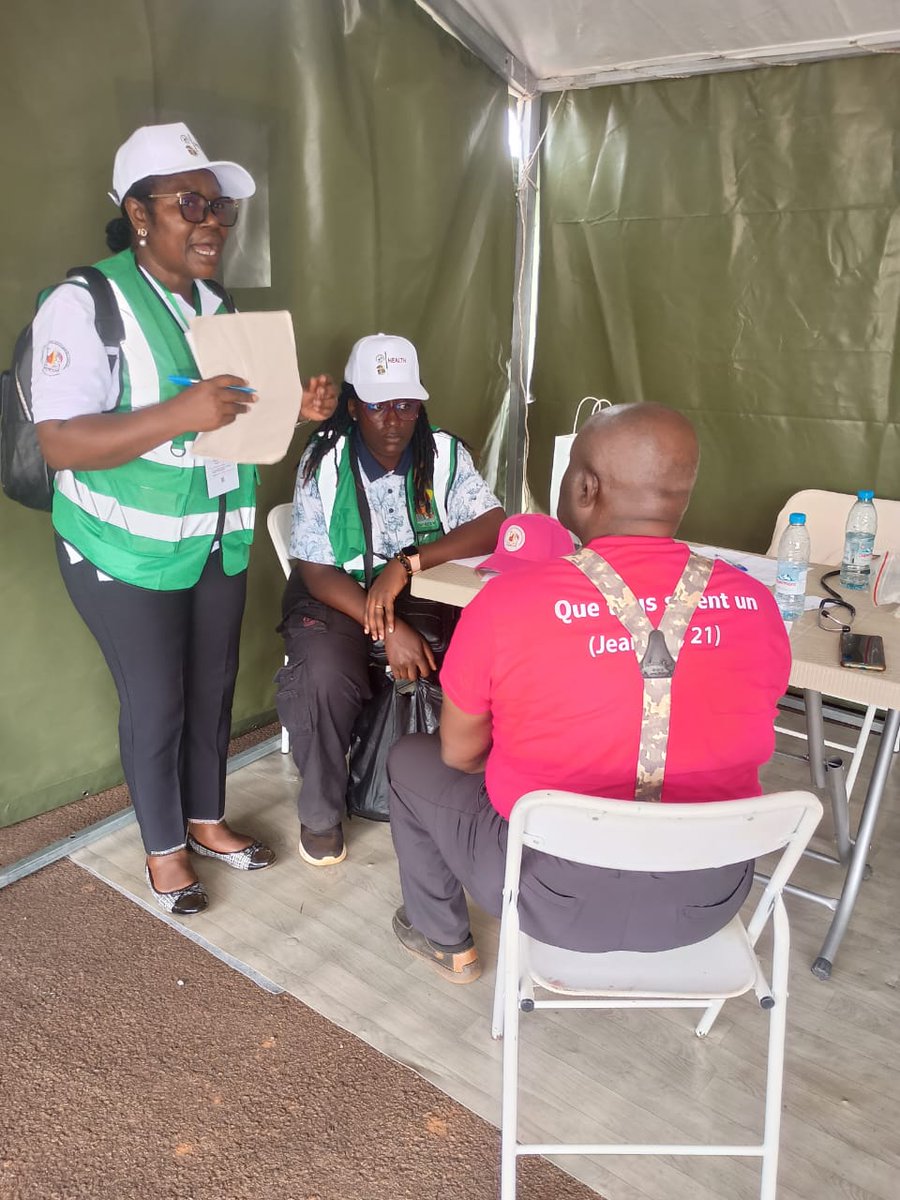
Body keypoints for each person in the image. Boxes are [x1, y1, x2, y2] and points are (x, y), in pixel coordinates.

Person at [32, 122, 336, 915]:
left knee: (211, 688)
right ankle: (164, 849)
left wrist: (293, 411)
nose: (213, 222)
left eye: (221, 206)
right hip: (120, 549)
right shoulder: (85, 304)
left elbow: (231, 421)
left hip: (212, 541)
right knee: (157, 700)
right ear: (139, 214)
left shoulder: (215, 304)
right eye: (189, 203)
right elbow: (60, 441)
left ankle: (205, 820)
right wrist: (179, 413)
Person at [387, 402, 792, 983]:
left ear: (584, 487)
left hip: (552, 898)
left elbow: (460, 755)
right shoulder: (759, 606)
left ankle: (443, 939)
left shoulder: (506, 604)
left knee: (411, 758)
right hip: (707, 899)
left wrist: (534, 744)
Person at [276, 332, 505, 867]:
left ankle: (462, 791)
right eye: (378, 406)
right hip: (335, 592)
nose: (393, 419)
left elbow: (492, 524)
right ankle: (321, 812)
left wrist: (405, 565)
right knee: (321, 673)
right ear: (354, 406)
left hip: (422, 589)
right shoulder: (324, 459)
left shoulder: (442, 453)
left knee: (484, 652)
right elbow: (315, 567)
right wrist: (387, 626)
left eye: (406, 404)